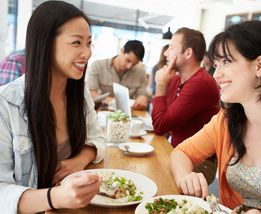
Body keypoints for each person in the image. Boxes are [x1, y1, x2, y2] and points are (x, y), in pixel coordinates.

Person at [170, 21, 261, 213]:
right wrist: (185, 177)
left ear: (259, 65)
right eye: (216, 65)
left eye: (226, 62)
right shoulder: (227, 119)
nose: (216, 75)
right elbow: (181, 152)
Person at [0, 1, 105, 213]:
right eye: (76, 43)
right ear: (45, 43)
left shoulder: (79, 92)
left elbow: (97, 138)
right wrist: (56, 197)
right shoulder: (6, 103)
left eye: (89, 43)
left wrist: (79, 160)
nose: (87, 53)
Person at [152, 27, 220, 184]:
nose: (165, 53)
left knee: (153, 174)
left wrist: (161, 85)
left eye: (171, 48)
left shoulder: (201, 83)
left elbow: (160, 125)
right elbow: (163, 120)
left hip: (200, 162)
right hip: (178, 152)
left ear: (188, 53)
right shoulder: (177, 79)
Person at [86, 40, 149, 110]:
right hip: (102, 111)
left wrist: (142, 98)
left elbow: (142, 94)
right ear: (122, 50)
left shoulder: (141, 73)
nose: (129, 66)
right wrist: (112, 101)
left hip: (127, 116)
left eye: (134, 64)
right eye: (128, 60)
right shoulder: (97, 66)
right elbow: (90, 92)